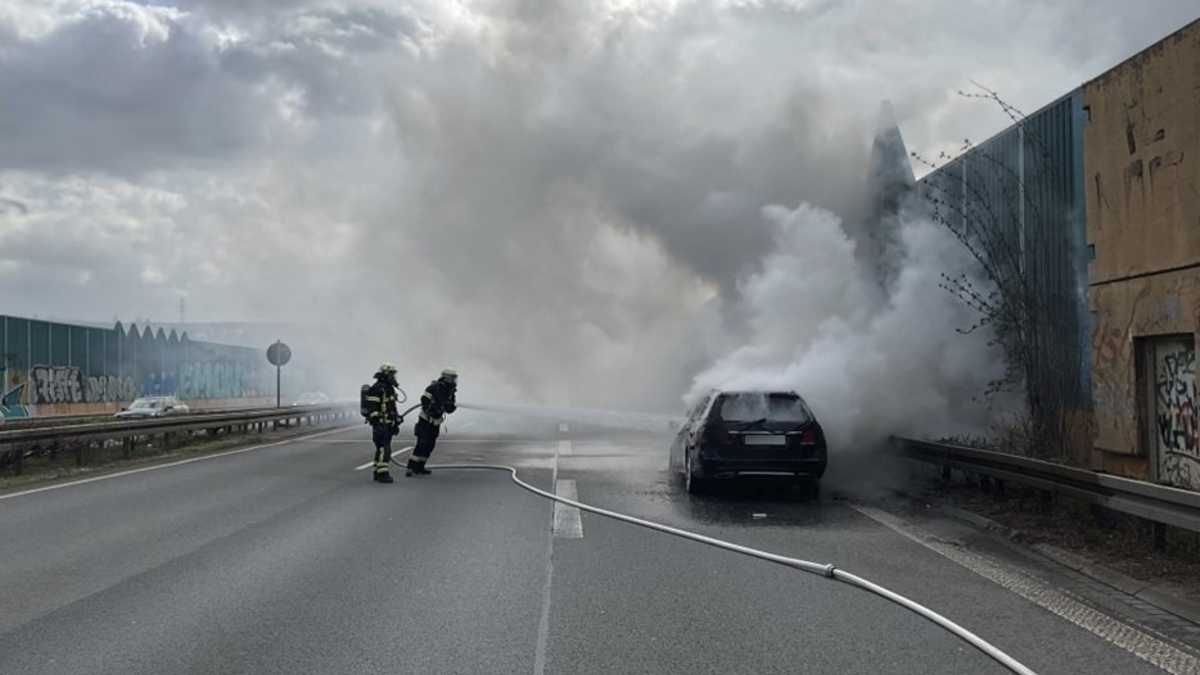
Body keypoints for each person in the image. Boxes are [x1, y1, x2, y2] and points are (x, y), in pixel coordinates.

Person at [407, 368, 457, 477]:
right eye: (452, 378)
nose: (454, 381)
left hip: (436, 423)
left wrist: (450, 407)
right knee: (421, 444)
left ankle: (420, 467)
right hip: (425, 421)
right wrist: (432, 409)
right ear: (446, 378)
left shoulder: (451, 392)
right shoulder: (433, 388)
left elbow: (450, 407)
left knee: (430, 445)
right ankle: (410, 467)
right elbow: (424, 400)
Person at [364, 362, 404, 483]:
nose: (393, 377)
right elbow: (373, 407)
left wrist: (396, 419)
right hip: (380, 425)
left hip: (388, 424)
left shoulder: (389, 389)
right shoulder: (377, 388)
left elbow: (391, 407)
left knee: (381, 449)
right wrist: (378, 423)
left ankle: (377, 471)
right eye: (391, 374)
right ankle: (383, 474)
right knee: (384, 449)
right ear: (385, 374)